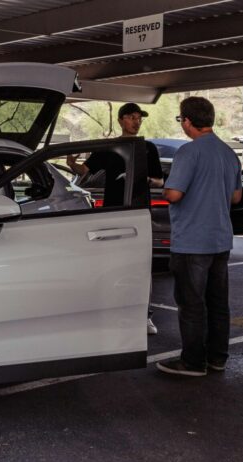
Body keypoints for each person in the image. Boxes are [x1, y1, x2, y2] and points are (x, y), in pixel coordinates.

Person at [155, 96, 242, 377]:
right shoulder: (228, 153)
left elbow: (174, 194)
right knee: (218, 303)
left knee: (191, 304)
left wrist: (164, 186)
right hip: (220, 239)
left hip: (191, 240)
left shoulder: (188, 153)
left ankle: (193, 362)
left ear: (187, 121)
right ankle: (218, 358)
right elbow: (236, 197)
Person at [66, 102, 165, 335]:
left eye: (139, 118)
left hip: (140, 213)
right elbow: (86, 172)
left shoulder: (148, 148)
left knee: (141, 266)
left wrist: (145, 180)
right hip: (113, 213)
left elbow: (160, 181)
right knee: (113, 264)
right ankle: (112, 311)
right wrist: (72, 163)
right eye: (131, 117)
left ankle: (144, 316)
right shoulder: (109, 148)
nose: (136, 121)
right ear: (121, 120)